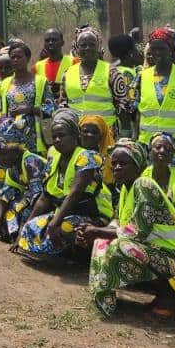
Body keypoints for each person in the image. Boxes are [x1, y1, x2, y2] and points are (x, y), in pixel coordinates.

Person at [80, 138, 175, 316]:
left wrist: (97, 230)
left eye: (123, 163)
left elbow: (138, 232)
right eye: (114, 164)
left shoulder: (144, 185)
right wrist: (90, 231)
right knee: (102, 242)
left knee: (122, 246)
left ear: (137, 166)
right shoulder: (125, 189)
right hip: (163, 254)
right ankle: (104, 297)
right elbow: (119, 222)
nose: (117, 168)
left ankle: (172, 298)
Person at [17, 111, 109, 260]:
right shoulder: (54, 155)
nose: (57, 140)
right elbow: (45, 197)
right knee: (32, 226)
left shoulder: (87, 157)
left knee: (65, 227)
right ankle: (60, 254)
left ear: (75, 136)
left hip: (94, 214)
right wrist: (24, 227)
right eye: (54, 137)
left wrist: (53, 224)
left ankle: (79, 257)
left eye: (62, 135)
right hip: (69, 211)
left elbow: (74, 194)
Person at [0, 116, 47, 241]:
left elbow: (37, 198)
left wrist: (22, 231)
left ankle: (21, 237)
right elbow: (6, 193)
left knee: (17, 210)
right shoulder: (12, 165)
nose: (0, 158)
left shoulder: (30, 162)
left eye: (4, 154)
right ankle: (11, 235)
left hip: (43, 206)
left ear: (15, 152)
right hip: (20, 203)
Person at [138, 28, 175, 144]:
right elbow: (136, 112)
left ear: (171, 50)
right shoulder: (142, 76)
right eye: (153, 48)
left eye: (162, 49)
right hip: (148, 143)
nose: (157, 53)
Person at [0, 39, 47, 153]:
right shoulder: (4, 84)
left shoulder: (40, 81)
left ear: (28, 58)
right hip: (10, 138)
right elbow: (1, 112)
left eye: (19, 57)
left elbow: (51, 108)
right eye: (13, 57)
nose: (15, 60)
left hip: (33, 138)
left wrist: (30, 109)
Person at [63, 27, 117, 128]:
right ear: (77, 48)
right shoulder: (67, 74)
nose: (87, 48)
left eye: (92, 45)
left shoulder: (112, 72)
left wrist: (125, 134)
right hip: (77, 132)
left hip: (106, 133)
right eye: (83, 45)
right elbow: (63, 106)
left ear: (98, 47)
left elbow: (123, 107)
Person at [36, 27, 68, 116]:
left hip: (67, 112)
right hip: (45, 113)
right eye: (47, 40)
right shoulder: (37, 66)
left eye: (54, 40)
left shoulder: (74, 62)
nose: (50, 42)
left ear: (62, 42)